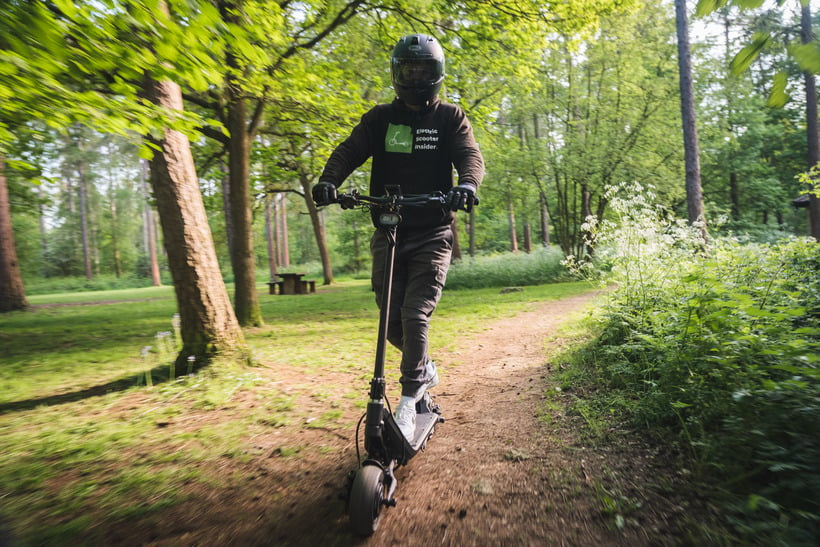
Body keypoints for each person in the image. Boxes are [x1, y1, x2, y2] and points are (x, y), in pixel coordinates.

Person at [312, 33, 484, 441]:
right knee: (390, 320)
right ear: (397, 72)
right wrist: (328, 180)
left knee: (414, 313)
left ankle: (408, 403)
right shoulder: (379, 119)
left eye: (423, 69)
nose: (415, 76)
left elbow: (469, 156)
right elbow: (348, 151)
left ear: (436, 74)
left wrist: (468, 185)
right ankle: (423, 371)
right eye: (409, 69)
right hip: (388, 231)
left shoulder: (450, 118)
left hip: (432, 233)